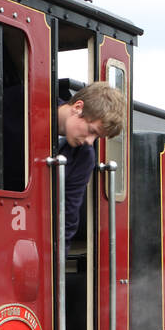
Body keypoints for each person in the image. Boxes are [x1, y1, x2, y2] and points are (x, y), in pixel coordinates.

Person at [57, 82, 125, 239]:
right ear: (78, 107)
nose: (89, 141)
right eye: (91, 131)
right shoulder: (19, 102)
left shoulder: (85, 156)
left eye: (97, 137)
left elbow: (68, 217)